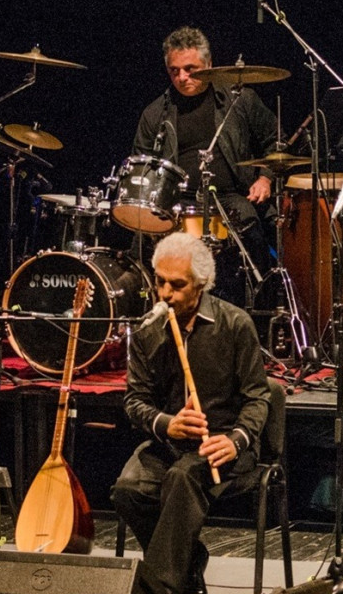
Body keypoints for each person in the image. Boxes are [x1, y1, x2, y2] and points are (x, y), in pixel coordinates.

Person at [111, 233, 270, 594]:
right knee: (127, 490)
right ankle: (188, 560)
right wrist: (169, 424)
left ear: (201, 284)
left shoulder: (235, 324)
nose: (165, 293)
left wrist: (236, 440)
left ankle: (157, 588)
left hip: (226, 447)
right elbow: (134, 402)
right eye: (160, 282)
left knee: (183, 478)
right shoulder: (148, 331)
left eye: (177, 285)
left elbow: (260, 397)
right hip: (170, 445)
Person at [131, 27, 280, 264]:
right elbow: (141, 167)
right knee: (140, 240)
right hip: (178, 202)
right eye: (174, 71)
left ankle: (256, 296)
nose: (182, 77)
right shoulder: (155, 113)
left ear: (209, 64)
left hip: (231, 197)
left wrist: (265, 179)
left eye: (191, 69)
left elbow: (276, 141)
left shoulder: (239, 100)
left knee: (252, 229)